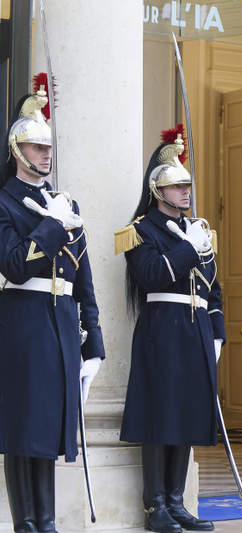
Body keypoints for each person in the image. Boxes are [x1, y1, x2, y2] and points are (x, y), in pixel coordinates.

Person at [0, 83, 104, 533]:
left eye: (48, 147)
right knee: (23, 428)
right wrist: (51, 225)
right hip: (23, 321)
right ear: (16, 150)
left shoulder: (65, 204)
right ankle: (27, 523)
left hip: (61, 324)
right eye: (36, 147)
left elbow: (84, 279)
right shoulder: (4, 202)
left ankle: (46, 521)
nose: (45, 154)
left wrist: (94, 342)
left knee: (48, 428)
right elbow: (14, 264)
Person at [116, 127, 224, 533]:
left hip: (196, 330)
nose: (185, 192)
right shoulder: (141, 230)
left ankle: (177, 501)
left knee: (188, 414)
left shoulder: (199, 229)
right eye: (178, 186)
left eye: (187, 186)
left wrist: (217, 331)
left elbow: (214, 287)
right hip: (162, 329)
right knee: (160, 416)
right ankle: (155, 504)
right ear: (158, 190)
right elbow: (151, 275)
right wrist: (187, 248)